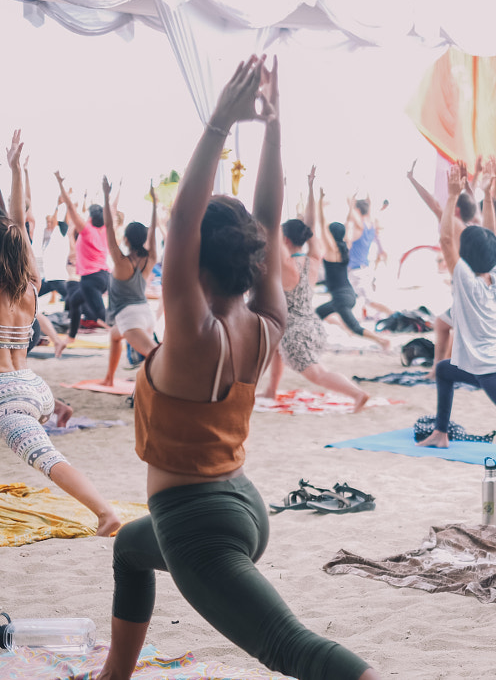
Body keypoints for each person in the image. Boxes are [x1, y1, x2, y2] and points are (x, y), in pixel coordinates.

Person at [96, 57, 378, 680]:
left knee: (295, 649)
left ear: (191, 265)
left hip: (198, 528)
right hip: (244, 505)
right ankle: (114, 674)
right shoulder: (264, 327)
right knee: (128, 549)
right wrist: (273, 126)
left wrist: (222, 123)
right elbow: (270, 221)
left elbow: (187, 221)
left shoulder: (195, 337)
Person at [1, 130, 120, 536]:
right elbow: (18, 223)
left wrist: (17, 170)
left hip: (11, 399)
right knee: (50, 419)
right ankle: (61, 407)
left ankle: (104, 512)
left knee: (48, 459)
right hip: (36, 389)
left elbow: (16, 223)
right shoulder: (30, 285)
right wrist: (16, 171)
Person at [417, 163, 496, 448]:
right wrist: (485, 193)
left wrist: (452, 197)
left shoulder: (465, 281)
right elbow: (491, 233)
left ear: (465, 255)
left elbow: (446, 237)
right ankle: (440, 432)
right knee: (444, 370)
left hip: (493, 372)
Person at [259, 167, 371, 411]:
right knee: (278, 348)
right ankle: (271, 389)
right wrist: (310, 188)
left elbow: (276, 228)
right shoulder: (313, 258)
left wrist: (278, 191)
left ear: (285, 240)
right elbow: (310, 226)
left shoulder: (287, 265)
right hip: (311, 326)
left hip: (296, 332)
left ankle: (357, 394)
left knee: (319, 374)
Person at [312, 185, 390, 350]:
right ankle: (316, 341)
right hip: (346, 294)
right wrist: (350, 206)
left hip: (342, 298)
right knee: (317, 314)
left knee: (355, 329)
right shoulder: (345, 246)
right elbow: (348, 223)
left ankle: (383, 341)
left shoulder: (332, 251)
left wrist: (319, 201)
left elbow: (322, 222)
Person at [99, 178, 160, 387]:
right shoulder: (150, 259)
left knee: (156, 355)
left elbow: (108, 226)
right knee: (115, 337)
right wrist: (154, 203)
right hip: (144, 314)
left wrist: (106, 196)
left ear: (126, 239)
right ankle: (109, 378)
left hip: (130, 317)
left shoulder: (121, 261)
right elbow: (153, 233)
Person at [56, 170, 109, 339]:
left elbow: (71, 207)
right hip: (104, 277)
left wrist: (60, 183)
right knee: (74, 301)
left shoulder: (86, 231)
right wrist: (107, 194)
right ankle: (71, 337)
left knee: (103, 316)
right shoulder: (105, 230)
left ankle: (131, 335)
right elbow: (111, 209)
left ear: (91, 218)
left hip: (90, 280)